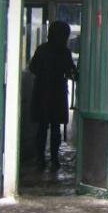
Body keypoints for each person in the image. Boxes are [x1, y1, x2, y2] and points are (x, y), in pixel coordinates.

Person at [28, 21, 77, 170]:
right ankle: (54, 159)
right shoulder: (64, 52)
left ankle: (40, 159)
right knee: (56, 127)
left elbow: (32, 67)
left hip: (42, 91)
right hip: (58, 92)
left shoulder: (42, 49)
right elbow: (71, 71)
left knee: (42, 127)